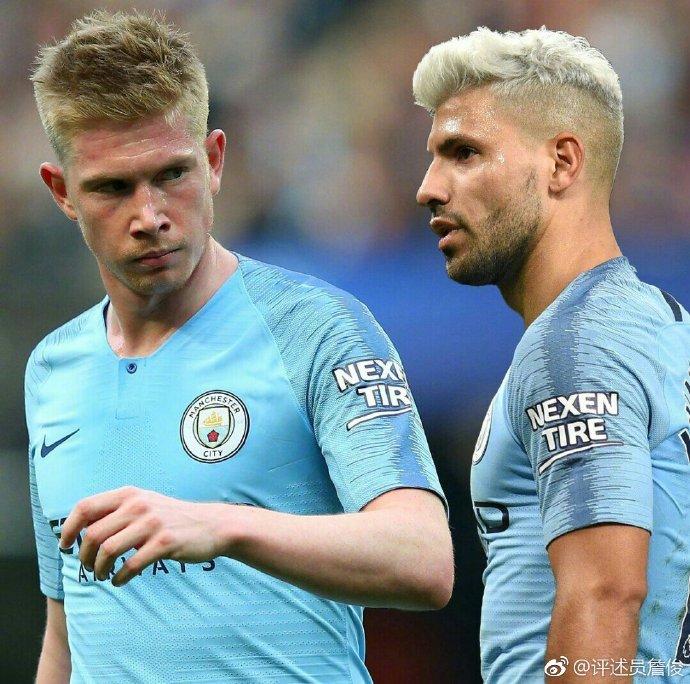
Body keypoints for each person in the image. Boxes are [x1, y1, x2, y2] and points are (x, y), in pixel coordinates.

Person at [26, 10, 453, 683]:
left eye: (172, 174)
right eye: (112, 187)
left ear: (215, 160)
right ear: (62, 193)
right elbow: (67, 631)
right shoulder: (52, 370)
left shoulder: (317, 328)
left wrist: (224, 526)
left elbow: (424, 558)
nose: (149, 216)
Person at [414, 27, 690, 682]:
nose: (429, 188)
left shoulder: (572, 346)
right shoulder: (665, 327)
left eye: (464, 153)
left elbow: (605, 593)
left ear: (562, 164)